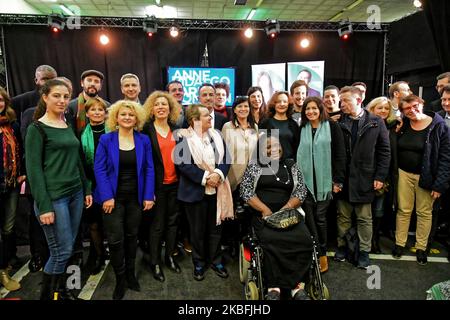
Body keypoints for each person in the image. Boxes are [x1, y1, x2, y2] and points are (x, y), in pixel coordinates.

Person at [25, 79, 93, 300]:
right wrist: (44, 206)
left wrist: (86, 189)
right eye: (57, 95)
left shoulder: (67, 124)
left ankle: (61, 291)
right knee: (60, 251)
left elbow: (77, 161)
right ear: (45, 97)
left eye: (65, 96)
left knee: (69, 248)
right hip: (54, 199)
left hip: (75, 194)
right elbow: (34, 171)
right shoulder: (36, 129)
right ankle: (48, 296)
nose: (62, 100)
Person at [94, 100, 155, 299]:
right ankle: (120, 278)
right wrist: (107, 196)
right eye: (123, 114)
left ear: (136, 118)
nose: (127, 117)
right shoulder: (106, 139)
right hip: (113, 199)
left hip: (136, 199)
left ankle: (130, 273)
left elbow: (149, 168)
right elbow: (99, 169)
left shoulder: (143, 139)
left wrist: (148, 195)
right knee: (115, 239)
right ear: (116, 118)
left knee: (131, 237)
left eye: (131, 114)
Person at [240, 134, 312, 300]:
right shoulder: (255, 166)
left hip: (289, 214)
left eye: (276, 146)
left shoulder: (290, 165)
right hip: (263, 214)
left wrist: (286, 208)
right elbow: (246, 191)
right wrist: (265, 210)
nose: (274, 150)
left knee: (304, 239)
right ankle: (274, 287)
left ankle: (297, 286)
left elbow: (301, 190)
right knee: (271, 241)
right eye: (268, 147)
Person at [174, 104, 233, 281]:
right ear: (195, 120)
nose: (211, 118)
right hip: (194, 191)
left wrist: (218, 174)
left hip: (218, 189)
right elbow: (183, 165)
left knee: (216, 229)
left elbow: (227, 159)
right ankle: (199, 263)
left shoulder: (217, 135)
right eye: (206, 115)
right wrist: (206, 177)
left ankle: (215, 260)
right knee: (197, 231)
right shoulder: (182, 138)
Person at [334, 86, 390, 269]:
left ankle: (364, 251)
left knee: (364, 217)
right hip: (343, 177)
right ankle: (342, 247)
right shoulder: (337, 121)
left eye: (346, 101)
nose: (342, 105)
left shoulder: (376, 122)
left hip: (365, 177)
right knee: (343, 216)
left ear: (359, 101)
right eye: (341, 101)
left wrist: (380, 176)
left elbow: (384, 151)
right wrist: (336, 178)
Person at [392, 95, 450, 265]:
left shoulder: (438, 126)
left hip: (427, 176)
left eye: (415, 106)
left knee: (424, 213)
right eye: (407, 108)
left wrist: (439, 183)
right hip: (404, 174)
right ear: (402, 111)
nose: (412, 110)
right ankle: (399, 243)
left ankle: (421, 247)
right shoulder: (403, 124)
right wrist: (396, 123)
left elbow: (446, 157)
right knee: (403, 210)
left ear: (422, 104)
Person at [297, 97, 346, 273]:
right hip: (306, 182)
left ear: (320, 109)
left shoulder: (332, 127)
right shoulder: (301, 128)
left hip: (326, 183)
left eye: (314, 108)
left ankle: (322, 253)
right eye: (307, 109)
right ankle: (313, 251)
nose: (310, 112)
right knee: (309, 219)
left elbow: (340, 155)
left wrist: (338, 181)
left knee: (320, 218)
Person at [142, 91, 182, 282]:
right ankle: (155, 262)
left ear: (170, 108)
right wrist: (148, 191)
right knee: (157, 226)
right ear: (151, 108)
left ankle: (169, 257)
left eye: (164, 104)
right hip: (156, 186)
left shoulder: (177, 129)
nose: (160, 107)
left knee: (173, 223)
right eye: (157, 104)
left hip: (175, 184)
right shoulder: (145, 130)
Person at [222, 96, 259, 253]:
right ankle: (231, 244)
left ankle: (246, 245)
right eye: (239, 107)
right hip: (232, 178)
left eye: (246, 106)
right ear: (234, 109)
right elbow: (222, 153)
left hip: (251, 178)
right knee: (233, 214)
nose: (243, 109)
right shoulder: (227, 127)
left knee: (249, 214)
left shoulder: (255, 127)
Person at [80, 97, 109, 275]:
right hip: (91, 184)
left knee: (110, 223)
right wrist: (87, 187)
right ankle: (98, 255)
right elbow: (81, 162)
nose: (97, 112)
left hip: (110, 183)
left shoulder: (113, 131)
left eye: (100, 109)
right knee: (94, 223)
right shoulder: (80, 134)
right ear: (87, 113)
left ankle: (114, 253)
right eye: (93, 110)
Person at [366, 97, 399, 253]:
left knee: (379, 210)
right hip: (366, 174)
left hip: (384, 175)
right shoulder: (365, 124)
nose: (384, 111)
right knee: (365, 211)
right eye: (380, 108)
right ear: (372, 109)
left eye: (386, 108)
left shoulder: (394, 126)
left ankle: (374, 240)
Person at [0, 86, 25, 291]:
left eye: (0, 100)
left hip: (11, 185)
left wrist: (21, 172)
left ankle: (3, 269)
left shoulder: (13, 124)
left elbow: (21, 149)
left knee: (8, 229)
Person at [259, 91, 300, 161]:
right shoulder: (265, 123)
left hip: (290, 164)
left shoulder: (294, 124)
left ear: (289, 104)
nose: (282, 104)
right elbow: (260, 147)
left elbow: (297, 148)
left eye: (285, 102)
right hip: (271, 165)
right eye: (278, 102)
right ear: (273, 104)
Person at [67, 69, 110, 135]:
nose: (92, 84)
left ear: (100, 86)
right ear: (82, 83)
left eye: (96, 81)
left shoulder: (107, 106)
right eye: (89, 80)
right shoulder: (71, 106)